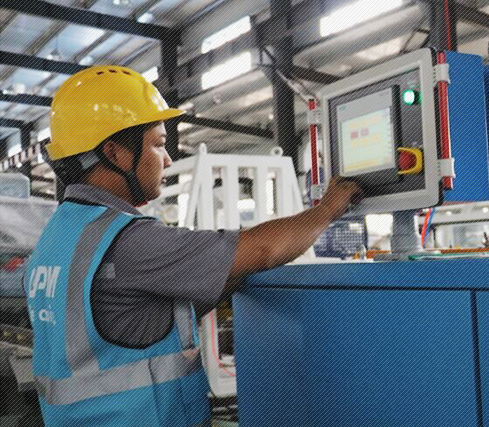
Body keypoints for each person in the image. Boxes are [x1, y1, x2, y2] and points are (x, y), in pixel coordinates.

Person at [23, 65, 361, 426]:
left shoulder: (56, 238)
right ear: (115, 153)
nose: (167, 159)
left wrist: (226, 277)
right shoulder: (128, 240)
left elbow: (125, 321)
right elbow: (262, 249)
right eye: (157, 145)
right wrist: (328, 209)